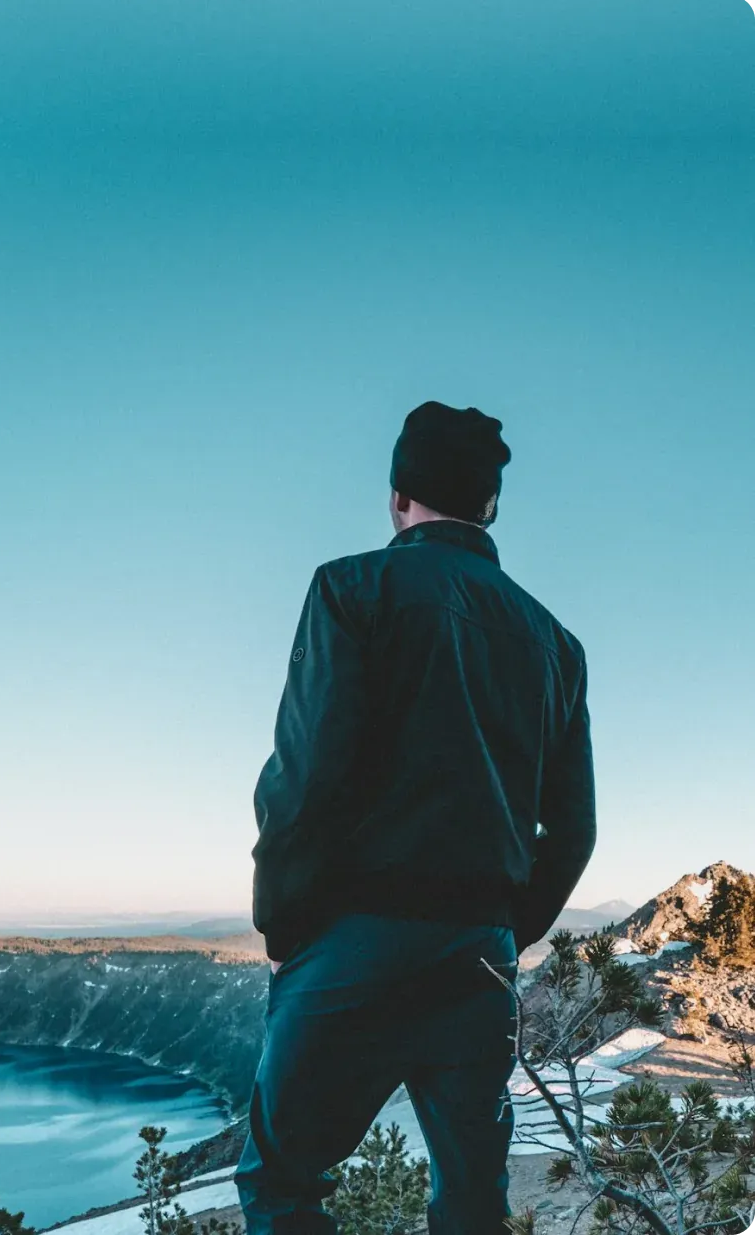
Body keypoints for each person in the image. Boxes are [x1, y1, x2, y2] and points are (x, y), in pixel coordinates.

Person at [235, 401, 597, 1235]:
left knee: (282, 1181)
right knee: (472, 1197)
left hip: (354, 936)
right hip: (478, 954)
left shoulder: (351, 588)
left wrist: (285, 921)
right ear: (491, 506)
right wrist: (502, 930)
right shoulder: (557, 645)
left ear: (399, 496)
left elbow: (303, 777)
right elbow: (571, 831)